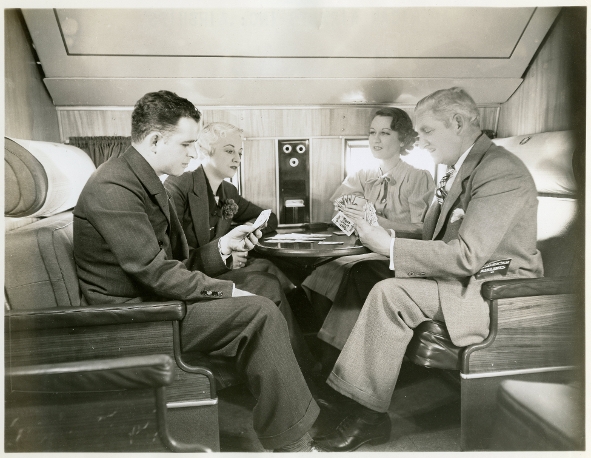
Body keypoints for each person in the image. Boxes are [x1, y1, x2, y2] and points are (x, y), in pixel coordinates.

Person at [73, 90, 320, 452]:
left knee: (261, 297)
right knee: (259, 311)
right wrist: (226, 290)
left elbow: (173, 262)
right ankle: (293, 443)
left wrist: (223, 246)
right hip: (132, 318)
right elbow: (155, 272)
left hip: (152, 302)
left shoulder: (141, 179)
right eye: (187, 144)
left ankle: (294, 413)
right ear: (155, 140)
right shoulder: (114, 187)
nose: (193, 153)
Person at [314, 87, 543, 452]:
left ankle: (368, 417)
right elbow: (429, 235)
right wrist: (378, 234)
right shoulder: (462, 168)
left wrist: (388, 246)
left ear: (458, 122)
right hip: (463, 278)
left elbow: (468, 256)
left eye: (426, 131)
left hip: (494, 290)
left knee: (391, 294)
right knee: (363, 271)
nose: (419, 140)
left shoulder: (500, 171)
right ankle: (341, 387)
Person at [301, 108, 434, 350]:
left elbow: (422, 230)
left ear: (402, 139)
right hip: (368, 250)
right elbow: (339, 212)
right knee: (322, 271)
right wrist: (350, 216)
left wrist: (374, 222)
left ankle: (338, 351)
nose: (375, 139)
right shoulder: (363, 174)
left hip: (398, 254)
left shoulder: (418, 177)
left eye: (385, 133)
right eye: (372, 132)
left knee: (354, 272)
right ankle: (334, 346)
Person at [164, 122, 294, 293]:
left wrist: (246, 231)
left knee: (271, 269)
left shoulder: (229, 191)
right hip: (194, 279)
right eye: (229, 151)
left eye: (240, 153)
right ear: (206, 150)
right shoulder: (179, 184)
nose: (237, 159)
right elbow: (173, 256)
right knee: (268, 282)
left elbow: (269, 217)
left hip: (219, 270)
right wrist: (226, 256)